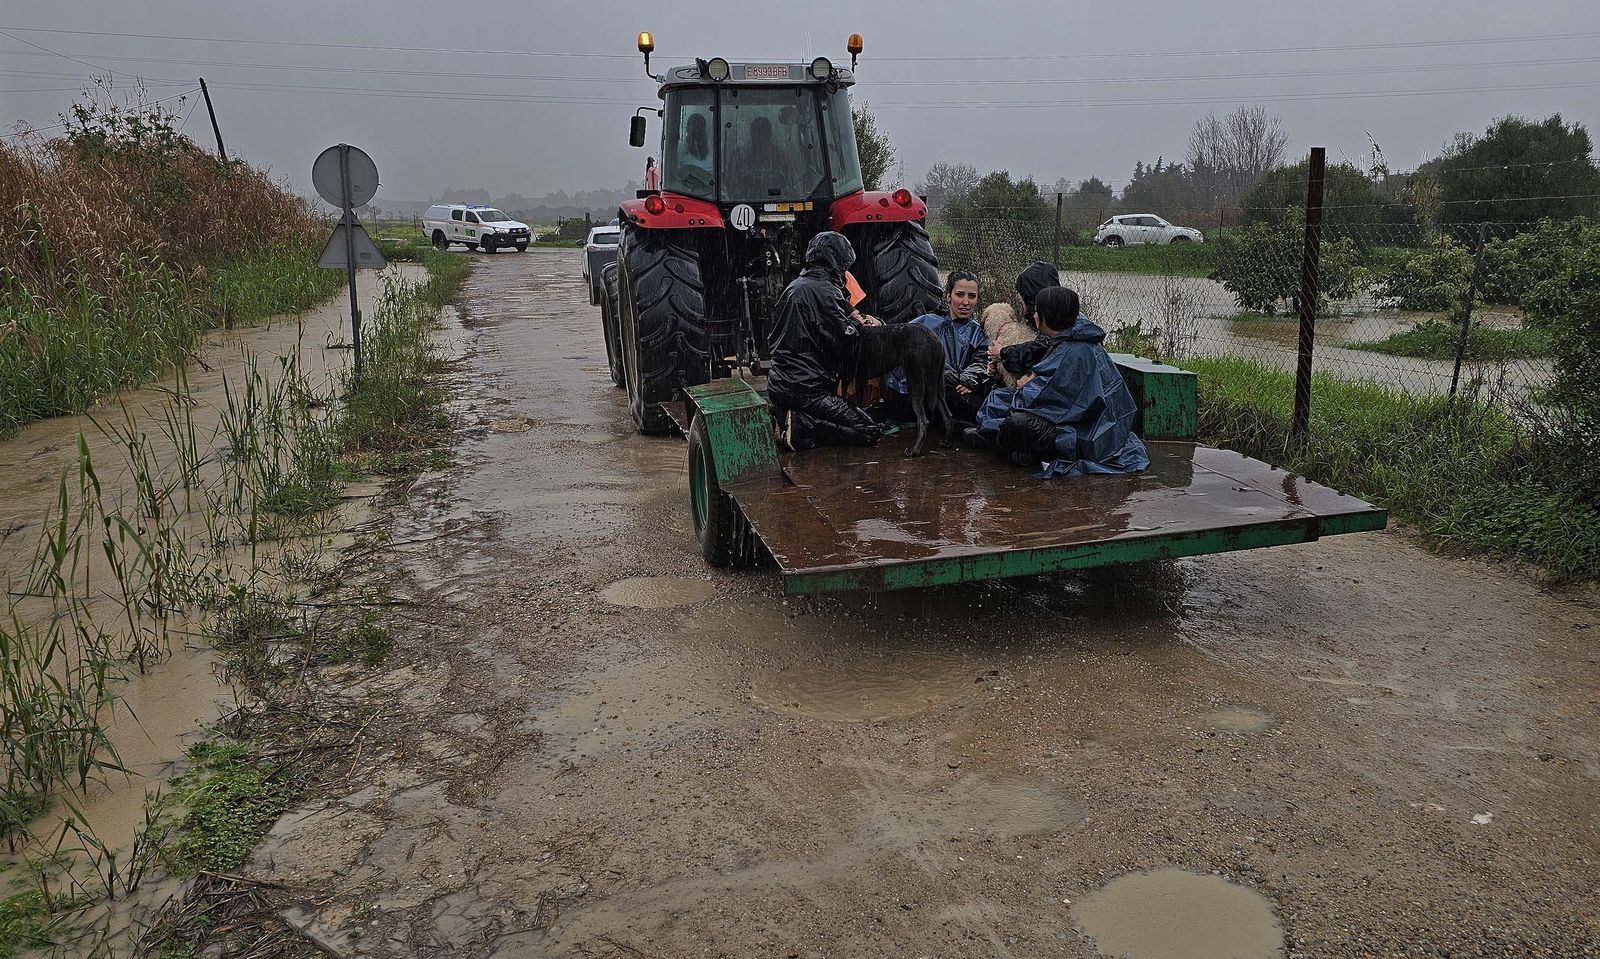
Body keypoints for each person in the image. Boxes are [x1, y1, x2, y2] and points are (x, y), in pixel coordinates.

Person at [971, 286, 1149, 477]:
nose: (1034, 315)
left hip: (1082, 432)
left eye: (1037, 311)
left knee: (1018, 424)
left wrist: (1026, 387)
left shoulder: (1077, 350)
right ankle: (1004, 442)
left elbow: (1060, 400)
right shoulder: (1066, 339)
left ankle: (1002, 442)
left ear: (1046, 317)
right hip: (1074, 419)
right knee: (998, 397)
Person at [767, 232, 881, 451]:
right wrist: (859, 323)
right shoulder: (827, 292)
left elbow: (774, 338)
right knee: (868, 430)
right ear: (836, 263)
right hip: (808, 390)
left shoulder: (794, 287)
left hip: (780, 384)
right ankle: (801, 428)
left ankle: (788, 415)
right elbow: (846, 342)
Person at [881, 271, 990, 423]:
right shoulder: (927, 322)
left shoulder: (979, 332)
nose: (966, 302)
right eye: (960, 295)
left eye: (972, 296)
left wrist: (969, 378)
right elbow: (901, 343)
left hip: (958, 393)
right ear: (948, 296)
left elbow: (983, 359)